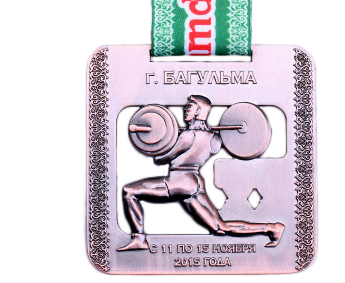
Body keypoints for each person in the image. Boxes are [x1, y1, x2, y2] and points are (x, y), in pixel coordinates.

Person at [117, 95, 284, 251]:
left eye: (190, 106)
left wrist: (167, 139)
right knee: (219, 227)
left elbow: (161, 159)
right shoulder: (214, 138)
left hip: (178, 181)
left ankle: (139, 239)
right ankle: (271, 228)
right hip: (195, 182)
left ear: (198, 111)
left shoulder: (188, 135)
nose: (185, 109)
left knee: (129, 192)